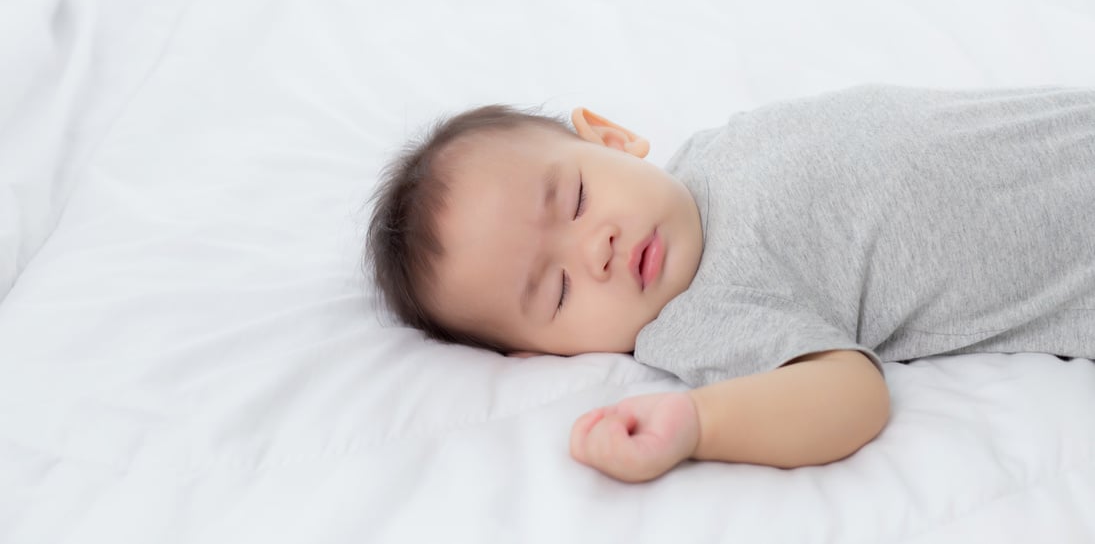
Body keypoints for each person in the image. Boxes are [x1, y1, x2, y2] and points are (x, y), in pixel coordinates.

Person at [366, 84, 1095, 482]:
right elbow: (846, 392)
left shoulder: (716, 148)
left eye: (578, 200)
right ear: (536, 353)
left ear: (610, 137)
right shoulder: (698, 316)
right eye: (555, 293)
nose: (598, 249)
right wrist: (699, 425)